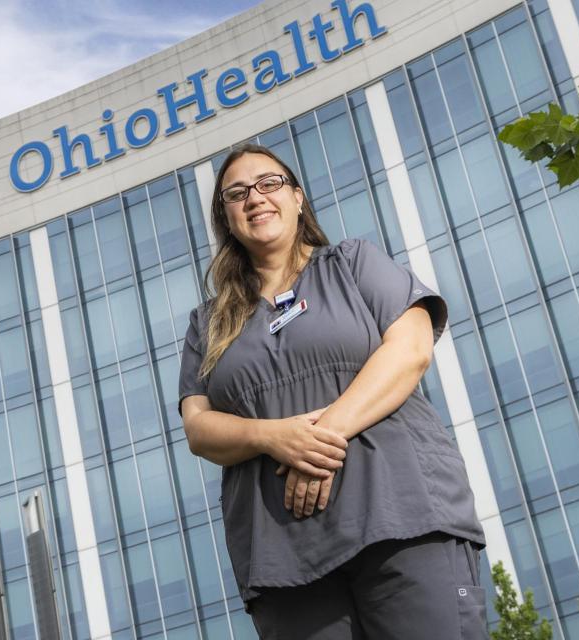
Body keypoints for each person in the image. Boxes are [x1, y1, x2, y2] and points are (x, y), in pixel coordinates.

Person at [178, 143, 486, 639]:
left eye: (269, 183)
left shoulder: (353, 263)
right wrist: (271, 437)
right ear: (227, 219)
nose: (254, 197)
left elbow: (410, 350)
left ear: (298, 198)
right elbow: (198, 427)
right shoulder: (208, 323)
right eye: (236, 194)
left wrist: (316, 441)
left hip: (400, 517)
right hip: (284, 557)